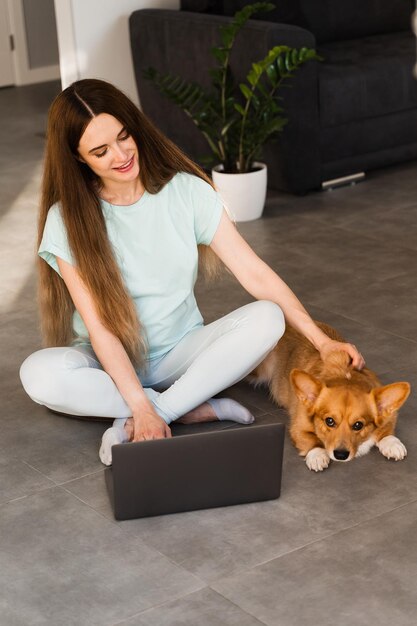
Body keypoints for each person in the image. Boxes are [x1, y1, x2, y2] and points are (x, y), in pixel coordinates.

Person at [19, 79, 365, 466]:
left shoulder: (186, 191)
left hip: (180, 355)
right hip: (107, 361)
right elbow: (99, 328)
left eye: (123, 136)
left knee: (268, 318)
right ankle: (184, 407)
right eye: (100, 151)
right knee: (39, 374)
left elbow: (256, 274)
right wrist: (140, 403)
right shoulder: (65, 219)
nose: (120, 155)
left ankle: (161, 410)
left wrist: (321, 342)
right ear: (79, 159)